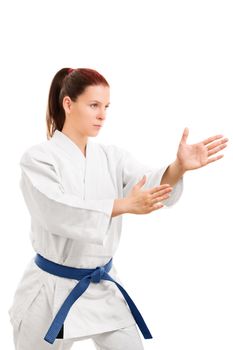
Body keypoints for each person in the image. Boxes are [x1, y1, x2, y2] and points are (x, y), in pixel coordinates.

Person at [8, 67, 228, 350]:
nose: (103, 115)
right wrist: (122, 205)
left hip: (100, 286)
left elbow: (150, 185)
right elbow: (56, 211)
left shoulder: (112, 157)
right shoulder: (38, 159)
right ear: (68, 104)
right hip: (50, 289)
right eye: (94, 105)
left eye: (106, 107)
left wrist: (178, 168)